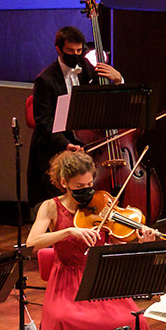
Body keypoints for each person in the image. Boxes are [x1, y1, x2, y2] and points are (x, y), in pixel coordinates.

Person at [27, 149, 166, 330]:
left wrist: (140, 241)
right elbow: (32, 242)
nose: (86, 190)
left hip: (101, 279)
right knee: (65, 322)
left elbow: (116, 242)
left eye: (90, 185)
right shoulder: (51, 206)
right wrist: (69, 230)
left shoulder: (103, 204)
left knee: (135, 323)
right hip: (67, 282)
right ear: (63, 182)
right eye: (79, 186)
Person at [28, 22, 124, 208]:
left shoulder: (87, 67)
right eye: (70, 51)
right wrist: (66, 144)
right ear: (59, 49)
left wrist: (118, 80)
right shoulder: (45, 80)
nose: (76, 55)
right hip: (55, 144)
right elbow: (44, 122)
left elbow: (107, 100)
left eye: (79, 50)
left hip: (86, 142)